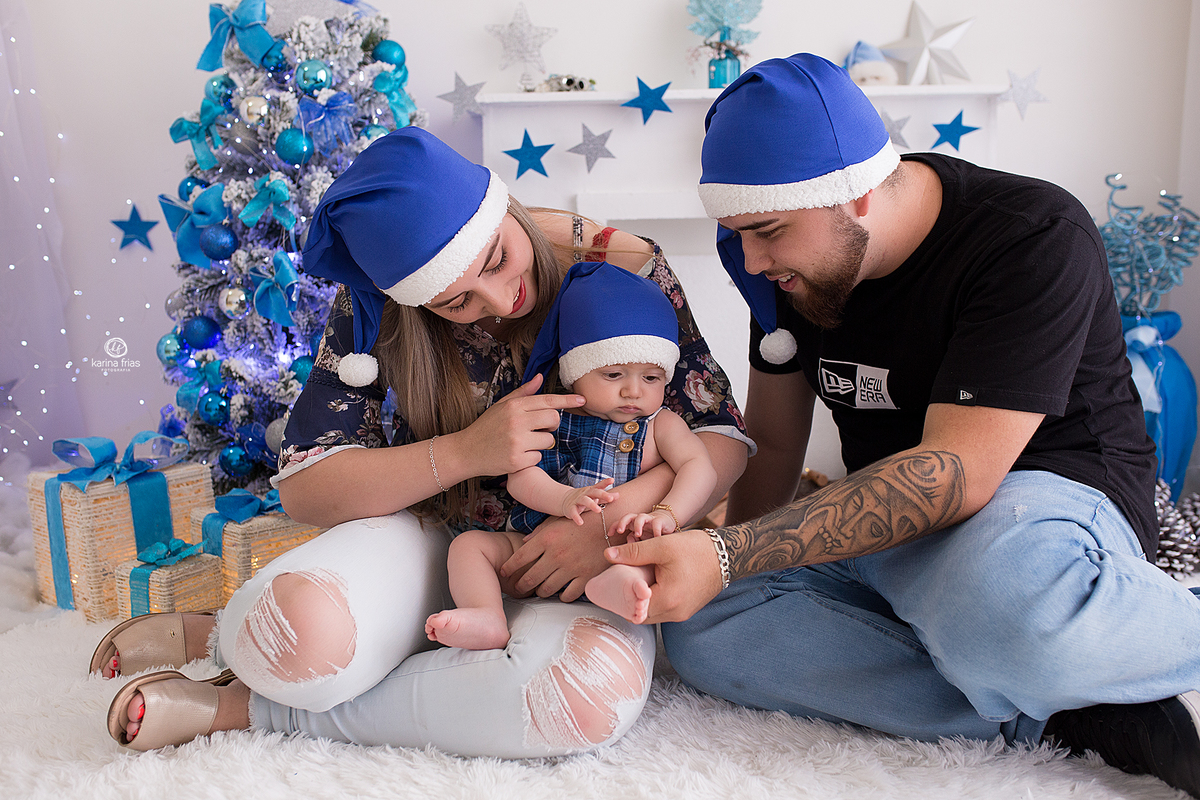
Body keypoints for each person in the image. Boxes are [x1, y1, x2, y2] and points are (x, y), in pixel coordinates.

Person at [600, 53, 1200, 797]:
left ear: (854, 195)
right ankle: (1058, 708)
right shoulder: (786, 272)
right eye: (737, 234)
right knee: (705, 628)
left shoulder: (1031, 234)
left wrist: (725, 552)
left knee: (1002, 592)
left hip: (1037, 510)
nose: (751, 262)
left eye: (770, 232)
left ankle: (1072, 640)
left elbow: (957, 474)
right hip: (893, 534)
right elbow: (780, 441)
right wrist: (726, 567)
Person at [93, 127, 752, 758]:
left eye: (497, 260)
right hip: (440, 541)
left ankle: (255, 709)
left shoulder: (623, 267)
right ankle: (234, 640)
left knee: (585, 697)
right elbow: (305, 488)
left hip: (586, 563)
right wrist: (466, 452)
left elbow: (717, 438)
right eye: (455, 302)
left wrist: (605, 524)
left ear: (503, 209)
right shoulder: (377, 309)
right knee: (297, 633)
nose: (497, 299)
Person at [425, 261, 720, 648]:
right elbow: (521, 477)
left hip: (619, 547)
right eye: (614, 375)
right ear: (574, 372)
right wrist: (564, 498)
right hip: (530, 545)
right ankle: (487, 615)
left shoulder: (661, 425)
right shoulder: (550, 416)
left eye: (651, 377)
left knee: (644, 564)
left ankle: (618, 593)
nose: (634, 391)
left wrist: (668, 514)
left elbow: (700, 468)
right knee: (468, 548)